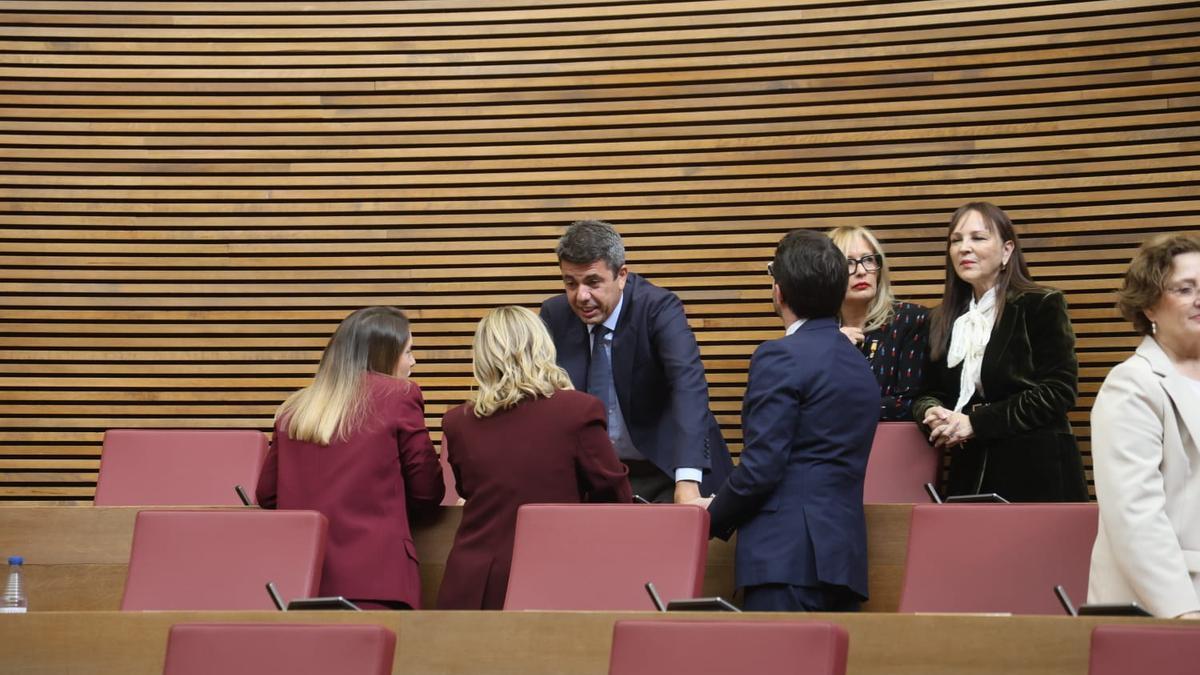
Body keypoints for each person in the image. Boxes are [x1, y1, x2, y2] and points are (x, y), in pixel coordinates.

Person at [701, 229, 879, 612]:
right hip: (844, 561)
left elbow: (761, 467)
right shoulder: (859, 365)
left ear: (779, 292)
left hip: (785, 559)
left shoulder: (779, 356)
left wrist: (707, 520)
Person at [437, 306, 632, 610]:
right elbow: (615, 496)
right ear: (542, 346)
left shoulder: (457, 423)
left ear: (483, 356)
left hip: (473, 583)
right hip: (554, 577)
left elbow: (466, 490)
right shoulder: (578, 411)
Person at [256, 306, 444, 610]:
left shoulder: (295, 408)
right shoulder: (399, 395)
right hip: (378, 579)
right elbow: (427, 490)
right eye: (408, 352)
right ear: (384, 353)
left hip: (301, 579)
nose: (413, 361)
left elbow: (268, 495)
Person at [539, 219, 733, 503]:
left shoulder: (657, 308)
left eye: (593, 282)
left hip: (666, 467)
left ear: (622, 275)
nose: (582, 296)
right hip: (597, 478)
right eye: (571, 283)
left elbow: (687, 387)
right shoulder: (555, 316)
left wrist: (688, 481)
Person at [913, 202, 1087, 502]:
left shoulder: (1041, 304)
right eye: (956, 240)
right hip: (968, 470)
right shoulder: (940, 319)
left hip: (1037, 468)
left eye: (978, 238)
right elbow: (928, 392)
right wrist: (930, 412)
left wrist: (975, 423)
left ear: (1007, 251)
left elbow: (1060, 391)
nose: (964, 248)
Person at [1087, 233, 1200, 619]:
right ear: (1150, 306)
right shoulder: (1132, 384)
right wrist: (1183, 614)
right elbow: (1134, 516)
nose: (1199, 298)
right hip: (1164, 602)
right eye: (1185, 289)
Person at [828, 225, 929, 421]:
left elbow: (909, 404)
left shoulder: (911, 320)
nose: (861, 271)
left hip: (893, 447)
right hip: (830, 448)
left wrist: (838, 409)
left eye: (868, 260)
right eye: (848, 263)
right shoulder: (821, 333)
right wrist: (832, 349)